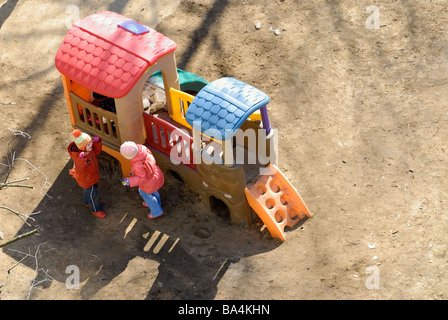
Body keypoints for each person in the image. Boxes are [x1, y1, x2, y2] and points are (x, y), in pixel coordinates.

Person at [120, 141, 165, 219]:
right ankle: (158, 202)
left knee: (145, 194)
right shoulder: (144, 150)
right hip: (155, 175)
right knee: (153, 191)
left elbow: (141, 178)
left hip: (147, 183)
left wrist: (129, 181)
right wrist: (134, 173)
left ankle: (156, 211)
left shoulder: (137, 165)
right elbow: (145, 169)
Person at [68, 129, 106, 218]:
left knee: (88, 192)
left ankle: (86, 202)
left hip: (91, 177)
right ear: (82, 147)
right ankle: (95, 209)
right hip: (86, 179)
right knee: (93, 194)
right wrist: (82, 159)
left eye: (91, 143)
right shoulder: (79, 157)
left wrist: (97, 142)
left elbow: (96, 152)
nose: (91, 145)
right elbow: (80, 169)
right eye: (89, 144)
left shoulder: (89, 150)